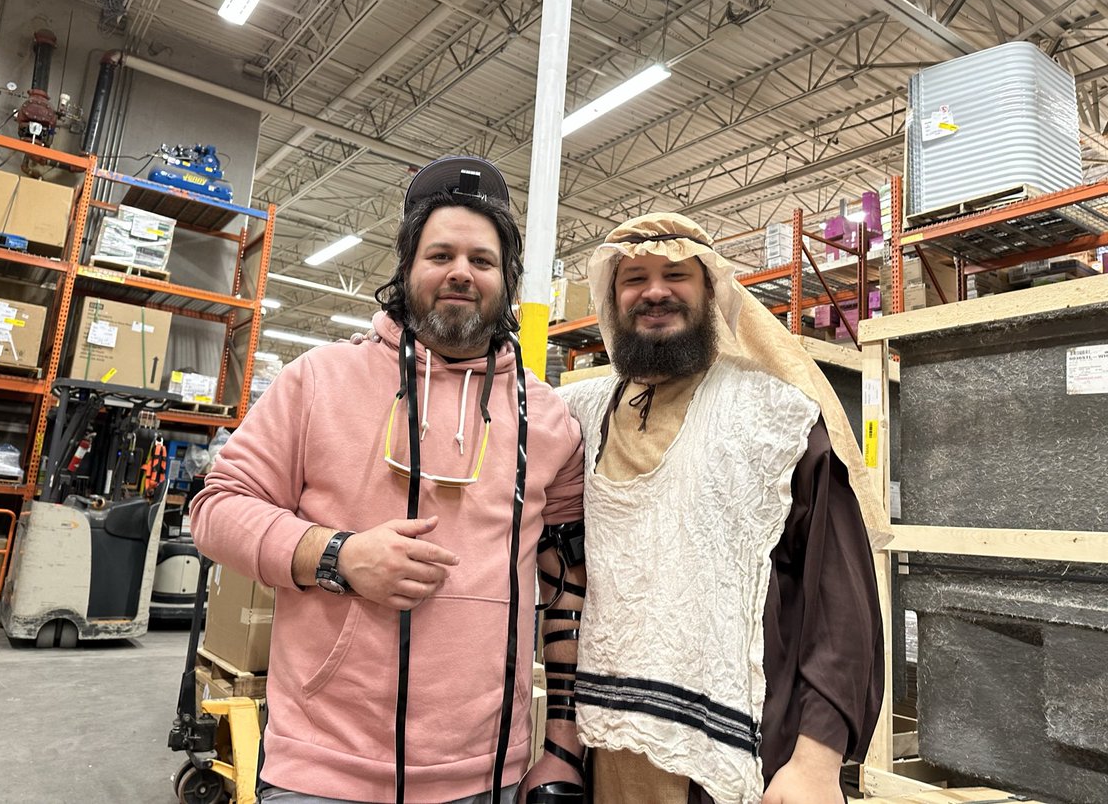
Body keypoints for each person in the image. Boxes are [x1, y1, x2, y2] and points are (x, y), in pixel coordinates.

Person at [190, 156, 588, 804]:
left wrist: (560, 744)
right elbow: (215, 508)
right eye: (441, 254)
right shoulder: (317, 380)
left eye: (483, 260)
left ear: (508, 277)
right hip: (321, 775)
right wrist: (338, 555)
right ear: (406, 267)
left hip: (488, 778)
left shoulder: (548, 420)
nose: (461, 271)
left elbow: (568, 581)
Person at [557, 213, 888, 804]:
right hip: (605, 749)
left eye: (675, 274)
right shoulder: (578, 414)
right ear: (613, 297)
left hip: (738, 760)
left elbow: (843, 605)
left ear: (711, 291)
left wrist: (817, 760)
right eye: (634, 277)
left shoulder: (777, 417)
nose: (654, 291)